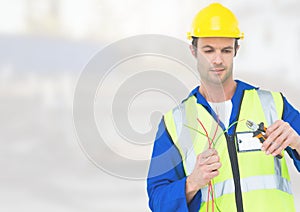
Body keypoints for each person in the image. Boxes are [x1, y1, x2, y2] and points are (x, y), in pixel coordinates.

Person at [147, 3, 300, 212]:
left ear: (236, 50)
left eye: (226, 50)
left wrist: (297, 142)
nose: (217, 59)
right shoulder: (175, 123)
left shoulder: (274, 105)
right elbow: (157, 200)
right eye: (208, 50)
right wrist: (192, 183)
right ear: (193, 50)